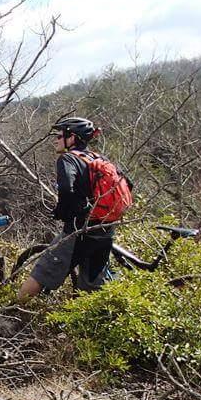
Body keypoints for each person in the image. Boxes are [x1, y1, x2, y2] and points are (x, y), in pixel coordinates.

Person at [17, 117, 122, 302]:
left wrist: (63, 210)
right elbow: (127, 184)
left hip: (79, 231)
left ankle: (10, 316)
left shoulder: (68, 159)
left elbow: (66, 188)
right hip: (105, 230)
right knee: (92, 286)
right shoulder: (99, 159)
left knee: (41, 274)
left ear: (72, 138)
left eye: (59, 135)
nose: (55, 140)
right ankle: (90, 326)